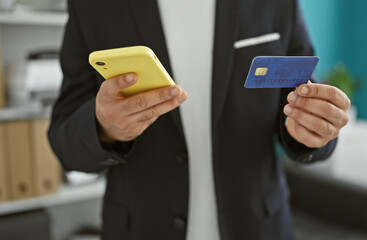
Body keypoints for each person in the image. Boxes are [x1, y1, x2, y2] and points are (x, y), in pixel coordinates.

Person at [48, 0, 350, 239]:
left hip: (258, 226)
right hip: (140, 228)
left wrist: (313, 128)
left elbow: (304, 92)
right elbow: (63, 139)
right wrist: (103, 127)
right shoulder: (90, 4)